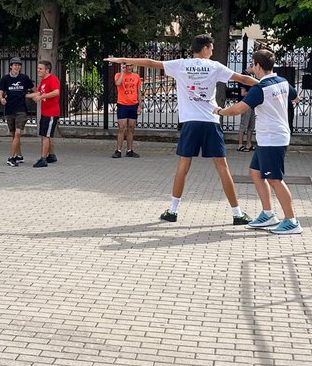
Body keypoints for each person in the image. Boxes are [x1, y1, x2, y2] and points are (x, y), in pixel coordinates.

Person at [106, 35, 259, 225]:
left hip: (190, 123)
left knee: (183, 167)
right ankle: (237, 214)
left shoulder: (181, 65)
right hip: (211, 121)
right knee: (223, 168)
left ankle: (173, 211)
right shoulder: (214, 66)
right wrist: (266, 83)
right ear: (205, 48)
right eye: (211, 48)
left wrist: (123, 59)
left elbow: (151, 62)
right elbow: (243, 78)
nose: (212, 52)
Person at [215, 49, 303, 234]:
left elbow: (238, 109)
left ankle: (292, 221)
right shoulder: (282, 81)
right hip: (270, 137)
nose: (252, 68)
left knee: (275, 179)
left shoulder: (261, 88)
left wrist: (220, 111)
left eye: (253, 65)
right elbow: (296, 97)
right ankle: (268, 214)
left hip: (273, 138)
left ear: (258, 66)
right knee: (255, 172)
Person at [0, 58, 33, 166]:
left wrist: (32, 95)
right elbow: (0, 94)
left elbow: (35, 90)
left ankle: (11, 158)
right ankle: (19, 156)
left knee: (18, 133)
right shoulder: (5, 79)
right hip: (10, 109)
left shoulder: (24, 78)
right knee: (14, 135)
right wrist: (1, 99)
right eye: (15, 65)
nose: (17, 67)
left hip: (21, 109)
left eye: (19, 65)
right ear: (11, 66)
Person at [29, 60, 62, 168]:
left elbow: (56, 92)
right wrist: (23, 95)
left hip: (51, 112)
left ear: (47, 70)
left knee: (46, 136)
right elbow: (38, 92)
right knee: (45, 135)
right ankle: (51, 155)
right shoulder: (43, 81)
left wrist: (41, 97)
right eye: (38, 68)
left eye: (40, 68)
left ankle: (43, 159)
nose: (38, 70)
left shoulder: (53, 79)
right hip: (45, 112)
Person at [113, 63, 142, 158]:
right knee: (121, 128)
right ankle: (118, 150)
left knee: (131, 128)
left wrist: (140, 105)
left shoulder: (136, 76)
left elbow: (138, 92)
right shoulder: (118, 75)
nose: (129, 67)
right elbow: (117, 83)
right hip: (122, 104)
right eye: (127, 66)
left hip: (133, 104)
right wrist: (122, 72)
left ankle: (129, 150)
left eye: (131, 65)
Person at [236, 83, 256, 152]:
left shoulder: (250, 79)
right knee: (244, 125)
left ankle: (249, 144)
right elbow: (243, 93)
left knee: (251, 126)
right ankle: (240, 145)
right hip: (245, 105)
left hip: (252, 104)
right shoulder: (244, 79)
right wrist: (254, 94)